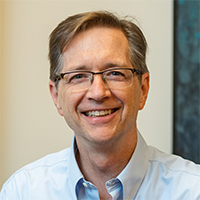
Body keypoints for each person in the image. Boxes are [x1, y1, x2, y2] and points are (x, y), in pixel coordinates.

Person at [1, 11, 200, 200]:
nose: (98, 93)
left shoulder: (192, 191)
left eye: (115, 73)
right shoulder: (23, 191)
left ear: (143, 89)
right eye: (78, 76)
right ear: (56, 96)